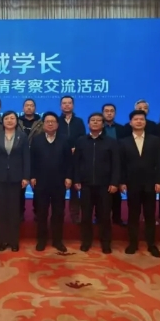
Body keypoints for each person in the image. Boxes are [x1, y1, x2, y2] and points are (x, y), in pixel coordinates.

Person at [74, 112, 120, 254]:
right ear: (88, 123)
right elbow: (76, 163)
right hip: (86, 185)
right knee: (86, 216)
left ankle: (105, 242)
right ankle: (86, 241)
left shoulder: (111, 142)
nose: (95, 122)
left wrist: (114, 182)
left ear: (103, 124)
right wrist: (77, 179)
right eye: (92, 120)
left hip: (105, 186)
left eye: (98, 120)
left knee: (105, 216)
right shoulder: (81, 141)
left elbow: (116, 164)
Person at [120, 110, 160, 257]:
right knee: (133, 215)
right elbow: (122, 164)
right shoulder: (123, 141)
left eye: (141, 119)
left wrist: (159, 181)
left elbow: (159, 162)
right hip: (132, 183)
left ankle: (151, 244)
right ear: (130, 122)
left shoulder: (155, 140)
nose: (139, 121)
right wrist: (122, 182)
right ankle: (133, 243)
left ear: (145, 122)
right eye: (136, 119)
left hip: (150, 183)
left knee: (150, 215)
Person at [30, 112, 72, 252]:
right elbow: (32, 160)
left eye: (52, 121)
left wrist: (68, 177)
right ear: (43, 124)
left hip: (59, 183)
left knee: (58, 213)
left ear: (57, 125)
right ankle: (41, 240)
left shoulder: (64, 140)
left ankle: (57, 240)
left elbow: (69, 161)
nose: (50, 123)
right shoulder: (37, 140)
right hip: (41, 182)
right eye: (47, 121)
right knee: (41, 213)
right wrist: (32, 176)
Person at [0, 111, 30, 251]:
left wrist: (26, 177)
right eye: (7, 118)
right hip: (0, 177)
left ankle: (13, 240)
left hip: (16, 178)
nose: (10, 120)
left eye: (12, 118)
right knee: (2, 210)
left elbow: (26, 158)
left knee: (14, 210)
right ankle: (2, 240)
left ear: (17, 121)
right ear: (3, 121)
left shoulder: (22, 136)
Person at [58, 95, 87, 224]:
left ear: (73, 105)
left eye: (69, 103)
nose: (66, 105)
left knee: (75, 188)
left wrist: (77, 148)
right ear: (60, 106)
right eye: (64, 103)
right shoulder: (57, 121)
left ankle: (75, 215)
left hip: (76, 159)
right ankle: (59, 214)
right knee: (60, 188)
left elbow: (83, 138)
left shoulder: (79, 121)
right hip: (60, 159)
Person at [103, 103, 128, 226]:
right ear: (103, 113)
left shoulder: (122, 129)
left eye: (111, 111)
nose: (109, 113)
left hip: (118, 162)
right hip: (102, 164)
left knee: (116, 193)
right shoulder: (98, 128)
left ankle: (117, 218)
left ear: (115, 113)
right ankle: (100, 217)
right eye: (106, 111)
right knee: (101, 194)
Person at [18, 98, 43, 219]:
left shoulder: (41, 123)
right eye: (26, 105)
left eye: (31, 105)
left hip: (37, 159)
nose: (29, 107)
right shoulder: (17, 122)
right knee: (19, 189)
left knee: (38, 189)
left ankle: (38, 213)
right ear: (23, 108)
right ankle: (19, 213)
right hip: (19, 159)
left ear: (35, 108)